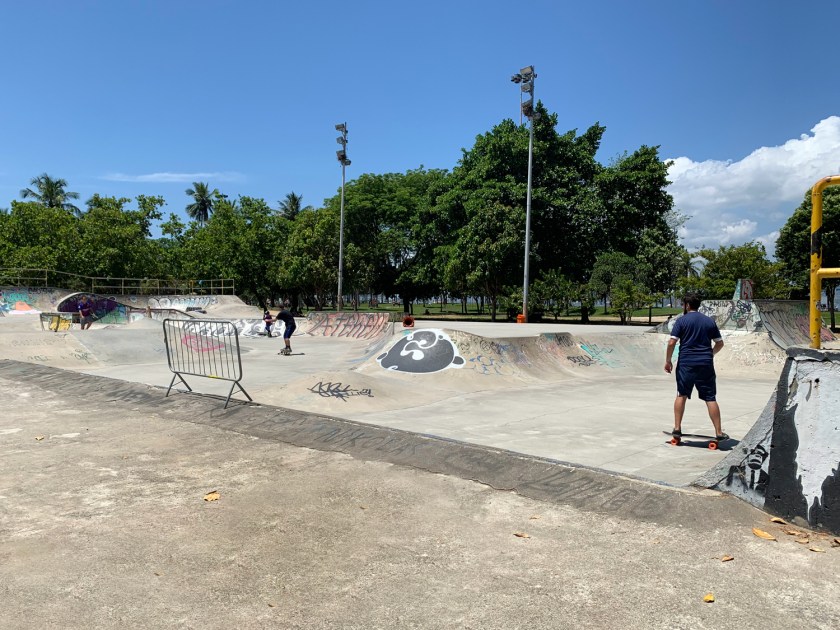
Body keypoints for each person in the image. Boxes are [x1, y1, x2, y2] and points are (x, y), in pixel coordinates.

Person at [664, 293, 728, 441]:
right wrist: (710, 354)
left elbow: (672, 343)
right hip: (705, 363)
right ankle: (719, 432)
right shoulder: (708, 322)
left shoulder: (681, 321)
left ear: (687, 305)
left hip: (686, 364)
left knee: (681, 394)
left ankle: (677, 429)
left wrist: (668, 361)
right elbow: (720, 343)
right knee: (710, 398)